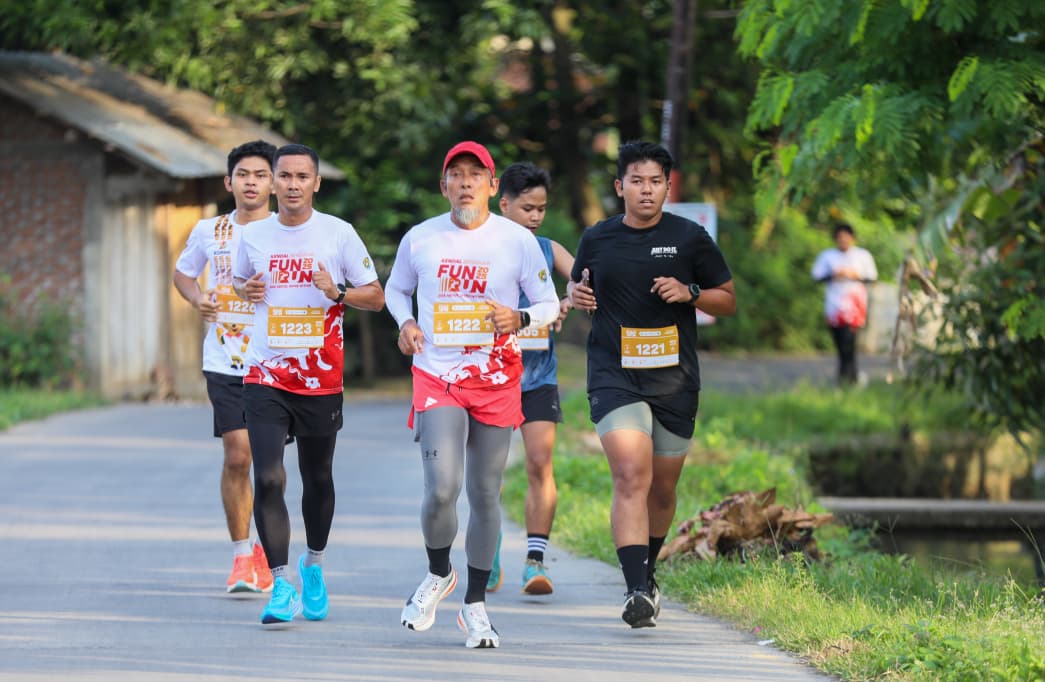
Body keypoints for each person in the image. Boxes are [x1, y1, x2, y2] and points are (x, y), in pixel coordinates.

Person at [385, 142, 559, 648]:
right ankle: (440, 572)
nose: (465, 183)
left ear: (492, 185)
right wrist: (407, 321)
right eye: (455, 175)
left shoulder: (517, 241)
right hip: (437, 374)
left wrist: (519, 317)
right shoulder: (420, 239)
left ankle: (476, 605)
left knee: (485, 493)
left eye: (474, 174)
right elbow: (395, 290)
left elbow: (548, 302)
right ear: (444, 186)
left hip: (498, 377)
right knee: (441, 488)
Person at [568, 140, 736, 629]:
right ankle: (636, 590)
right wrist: (576, 294)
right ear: (620, 187)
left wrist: (692, 293)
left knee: (663, 490)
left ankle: (649, 571)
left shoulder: (690, 237)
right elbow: (579, 287)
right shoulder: (596, 238)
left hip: (675, 380)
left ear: (668, 187)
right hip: (614, 376)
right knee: (630, 473)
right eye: (636, 181)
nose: (646, 190)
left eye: (655, 181)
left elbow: (727, 299)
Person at [232, 143, 384, 626]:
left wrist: (336, 291)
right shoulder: (254, 235)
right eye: (285, 176)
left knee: (318, 479)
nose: (293, 184)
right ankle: (280, 583)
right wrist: (245, 290)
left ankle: (313, 565)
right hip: (264, 372)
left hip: (320, 376)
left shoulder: (338, 234)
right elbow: (240, 283)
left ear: (316, 183)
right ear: (273, 182)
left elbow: (376, 298)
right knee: (269, 476)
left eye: (302, 176)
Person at [173, 139, 276, 594]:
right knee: (239, 454)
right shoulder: (208, 231)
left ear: (273, 182)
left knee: (270, 466)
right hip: (225, 357)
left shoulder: (290, 230)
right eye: (243, 175)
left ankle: (270, 552)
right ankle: (241, 556)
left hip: (278, 359)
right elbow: (183, 273)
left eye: (260, 175)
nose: (251, 182)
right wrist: (197, 297)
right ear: (228, 181)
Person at [485, 162, 573, 596]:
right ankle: (490, 549)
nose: (535, 216)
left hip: (538, 376)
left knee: (540, 461)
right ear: (504, 205)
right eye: (527, 208)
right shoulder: (479, 247)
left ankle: (535, 562)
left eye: (541, 208)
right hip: (490, 376)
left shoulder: (547, 249)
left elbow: (584, 279)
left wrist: (568, 301)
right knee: (491, 473)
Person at [811, 223, 878, 385]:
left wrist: (854, 275)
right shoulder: (827, 256)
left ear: (852, 238)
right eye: (840, 237)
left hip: (854, 306)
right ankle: (847, 377)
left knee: (849, 343)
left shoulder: (862, 256)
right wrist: (834, 274)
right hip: (834, 306)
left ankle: (848, 378)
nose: (843, 240)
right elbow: (817, 276)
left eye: (846, 236)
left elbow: (872, 277)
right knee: (840, 343)